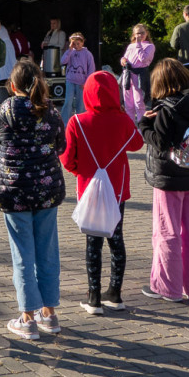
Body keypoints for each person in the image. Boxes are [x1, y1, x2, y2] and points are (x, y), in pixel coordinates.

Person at [0, 59, 66, 340]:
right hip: (46, 190)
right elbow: (62, 145)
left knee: (23, 254)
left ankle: (27, 317)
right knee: (47, 252)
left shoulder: (2, 112)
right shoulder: (50, 111)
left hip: (14, 190)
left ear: (12, 85)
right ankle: (50, 313)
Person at [60, 72, 143, 315]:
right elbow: (137, 144)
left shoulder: (77, 121)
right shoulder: (123, 120)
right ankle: (115, 293)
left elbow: (67, 159)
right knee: (116, 239)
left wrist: (80, 172)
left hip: (89, 188)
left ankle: (93, 296)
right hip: (117, 189)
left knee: (92, 242)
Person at [137, 59, 189, 302]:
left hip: (169, 179)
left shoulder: (166, 108)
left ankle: (167, 288)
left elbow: (158, 141)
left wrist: (144, 124)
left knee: (167, 232)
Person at [120, 24, 155, 123]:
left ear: (146, 33)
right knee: (128, 104)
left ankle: (141, 128)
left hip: (140, 76)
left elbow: (143, 59)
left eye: (142, 33)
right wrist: (122, 60)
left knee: (139, 103)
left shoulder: (150, 46)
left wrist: (139, 44)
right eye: (137, 33)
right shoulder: (131, 46)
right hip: (128, 74)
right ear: (134, 35)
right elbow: (125, 57)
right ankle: (130, 127)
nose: (140, 35)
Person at [60, 33, 95, 125]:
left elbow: (91, 69)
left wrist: (86, 82)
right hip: (70, 81)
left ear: (83, 42)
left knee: (80, 104)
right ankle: (64, 123)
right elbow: (63, 61)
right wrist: (70, 49)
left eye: (78, 43)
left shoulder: (87, 54)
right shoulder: (71, 52)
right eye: (74, 44)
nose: (76, 46)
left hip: (81, 83)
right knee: (68, 102)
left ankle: (80, 123)